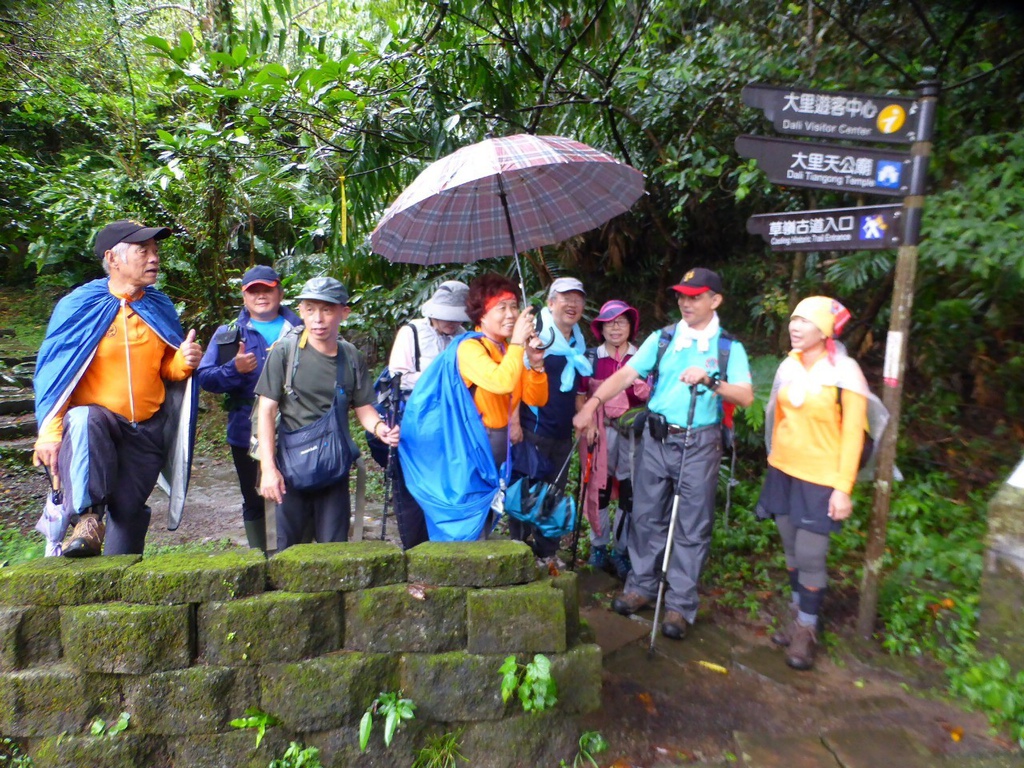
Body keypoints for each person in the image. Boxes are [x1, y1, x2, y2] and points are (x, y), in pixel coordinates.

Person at [573, 268, 753, 640]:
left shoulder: (727, 347)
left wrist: (709, 381)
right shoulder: (665, 337)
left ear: (715, 300)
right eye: (682, 296)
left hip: (699, 443)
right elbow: (625, 376)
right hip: (656, 438)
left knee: (691, 524)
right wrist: (592, 404)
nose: (686, 302)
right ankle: (641, 586)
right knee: (645, 513)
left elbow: (745, 396)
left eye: (696, 296)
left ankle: (680, 605)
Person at [32, 219, 202, 556]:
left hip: (145, 431)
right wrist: (50, 432)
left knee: (127, 510)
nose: (154, 258)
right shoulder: (79, 306)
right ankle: (86, 519)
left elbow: (166, 368)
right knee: (84, 419)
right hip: (99, 427)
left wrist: (184, 361)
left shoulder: (158, 306)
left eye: (155, 251)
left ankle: (117, 581)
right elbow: (57, 375)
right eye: (143, 251)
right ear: (113, 258)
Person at [755, 296, 874, 671]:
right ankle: (796, 615)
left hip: (822, 478)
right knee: (790, 549)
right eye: (793, 319)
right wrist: (772, 459)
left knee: (810, 554)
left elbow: (855, 432)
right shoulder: (787, 367)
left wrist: (844, 487)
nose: (795, 326)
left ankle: (807, 629)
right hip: (784, 471)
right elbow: (775, 418)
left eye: (804, 321)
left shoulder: (846, 371)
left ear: (824, 330)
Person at [254, 276, 398, 550]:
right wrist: (268, 469)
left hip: (334, 466)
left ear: (344, 312)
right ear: (301, 312)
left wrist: (381, 429)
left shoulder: (351, 356)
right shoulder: (285, 353)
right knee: (289, 550)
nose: (318, 319)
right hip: (290, 467)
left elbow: (364, 409)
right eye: (310, 309)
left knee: (334, 549)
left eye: (327, 310)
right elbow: (266, 410)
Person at [195, 265, 302, 551]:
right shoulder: (229, 333)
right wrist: (234, 369)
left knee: (298, 493)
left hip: (298, 427)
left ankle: (295, 553)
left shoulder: (302, 328)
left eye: (267, 289)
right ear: (244, 297)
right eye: (253, 291)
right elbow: (206, 378)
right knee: (255, 497)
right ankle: (261, 557)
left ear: (279, 291)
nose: (261, 295)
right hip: (246, 429)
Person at [378, 280, 470, 548]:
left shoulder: (464, 337)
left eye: (457, 318)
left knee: (445, 483)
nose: (451, 323)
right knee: (411, 486)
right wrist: (444, 379)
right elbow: (398, 377)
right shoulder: (412, 332)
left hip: (451, 425)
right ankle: (414, 546)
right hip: (414, 423)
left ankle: (443, 545)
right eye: (447, 317)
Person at [511, 277, 592, 567]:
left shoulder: (578, 342)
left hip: (561, 431)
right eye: (564, 298)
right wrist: (513, 423)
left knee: (554, 493)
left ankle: (547, 552)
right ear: (550, 303)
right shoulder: (537, 335)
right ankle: (516, 551)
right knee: (525, 492)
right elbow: (514, 380)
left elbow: (579, 389)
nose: (572, 304)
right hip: (531, 428)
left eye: (578, 299)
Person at [578, 299, 650, 579]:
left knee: (630, 492)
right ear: (601, 328)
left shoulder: (641, 358)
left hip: (635, 435)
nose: (615, 327)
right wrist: (586, 427)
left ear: (631, 326)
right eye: (609, 322)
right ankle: (599, 547)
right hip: (601, 432)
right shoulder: (592, 358)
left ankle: (621, 550)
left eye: (621, 321)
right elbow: (580, 396)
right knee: (599, 489)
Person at [457, 274, 547, 477]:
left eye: (514, 306)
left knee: (495, 506)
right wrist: (517, 343)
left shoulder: (507, 349)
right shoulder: (470, 348)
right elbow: (501, 383)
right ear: (482, 315)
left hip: (502, 444)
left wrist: (536, 363)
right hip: (475, 444)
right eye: (501, 307)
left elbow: (536, 399)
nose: (511, 315)